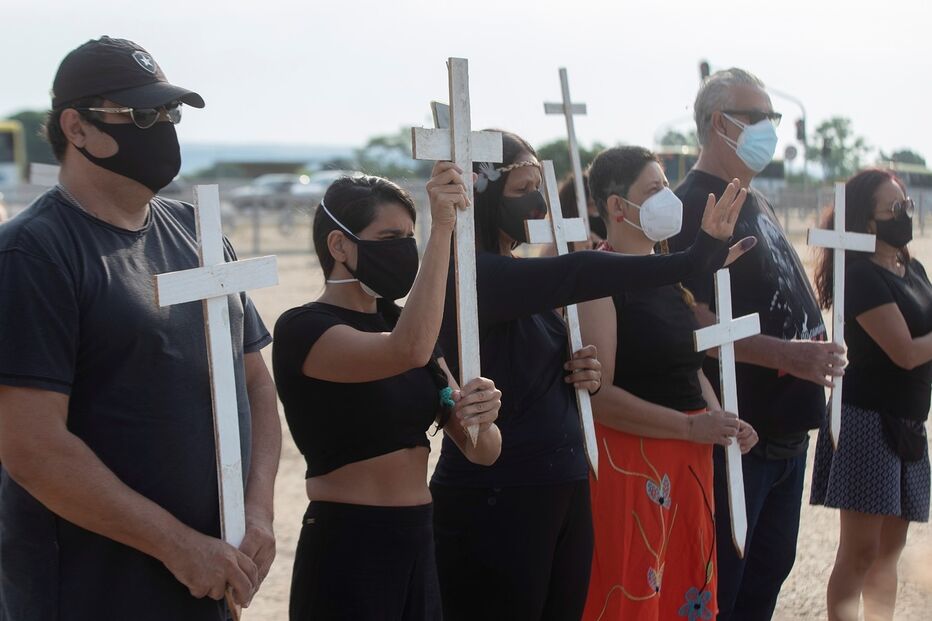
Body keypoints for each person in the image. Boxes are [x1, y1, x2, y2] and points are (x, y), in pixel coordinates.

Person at [0, 37, 280, 620]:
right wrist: (178, 546)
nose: (163, 131)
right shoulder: (35, 252)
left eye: (170, 115)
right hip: (89, 592)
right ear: (76, 128)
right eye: (143, 116)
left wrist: (256, 515)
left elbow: (253, 385)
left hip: (207, 580)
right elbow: (32, 447)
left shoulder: (200, 236)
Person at [430, 130, 751, 620]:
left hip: (557, 486)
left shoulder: (513, 273)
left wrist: (578, 369)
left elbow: (529, 364)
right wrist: (691, 259)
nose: (537, 201)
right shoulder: (475, 276)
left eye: (538, 185)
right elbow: (580, 272)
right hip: (501, 496)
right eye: (521, 190)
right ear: (481, 194)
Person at [272, 168, 503, 620]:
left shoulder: (404, 325)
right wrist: (442, 231)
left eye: (410, 236)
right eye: (390, 236)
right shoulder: (303, 328)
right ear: (339, 245)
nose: (404, 248)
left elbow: (482, 451)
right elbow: (406, 350)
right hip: (350, 542)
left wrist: (483, 415)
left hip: (418, 537)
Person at [668, 67, 846, 620]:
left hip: (787, 432)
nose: (770, 127)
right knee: (724, 587)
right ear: (720, 124)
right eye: (760, 117)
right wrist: (786, 355)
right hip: (740, 436)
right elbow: (688, 317)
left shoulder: (754, 198)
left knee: (764, 581)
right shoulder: (688, 208)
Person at [579, 146, 758, 621]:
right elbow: (599, 398)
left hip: (689, 463)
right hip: (636, 466)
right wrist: (688, 427)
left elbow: (690, 368)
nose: (669, 199)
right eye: (655, 190)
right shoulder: (597, 281)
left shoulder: (669, 275)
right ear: (618, 207)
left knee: (683, 596)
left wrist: (722, 420)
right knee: (634, 600)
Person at [810, 169, 931, 621]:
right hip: (867, 422)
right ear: (865, 221)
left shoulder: (909, 267)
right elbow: (904, 352)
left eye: (907, 205)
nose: (904, 215)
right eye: (893, 209)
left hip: (907, 422)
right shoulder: (860, 277)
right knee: (860, 551)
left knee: (891, 551)